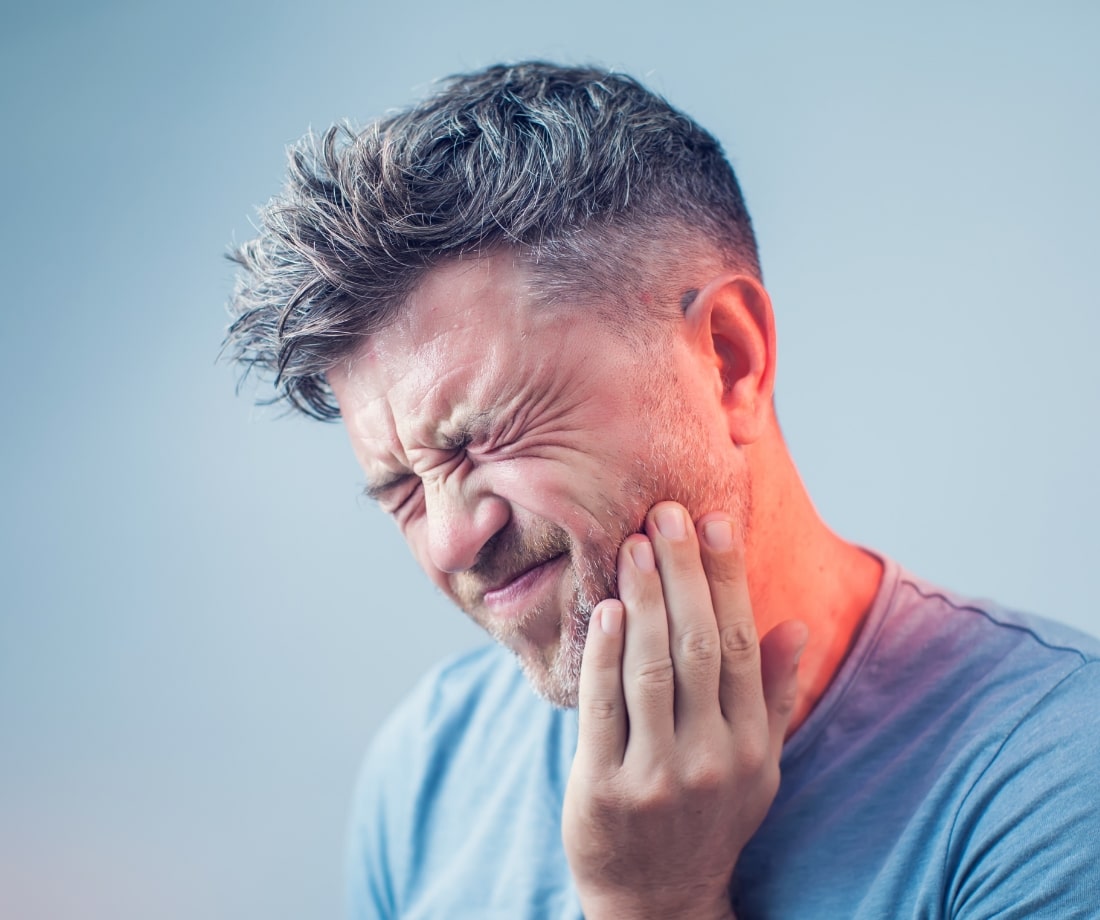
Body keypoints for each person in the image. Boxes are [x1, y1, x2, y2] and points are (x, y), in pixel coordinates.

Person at [224, 62, 1100, 919]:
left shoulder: (1056, 780)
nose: (452, 539)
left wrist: (656, 906)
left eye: (485, 438)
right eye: (402, 492)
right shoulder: (424, 774)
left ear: (729, 360)